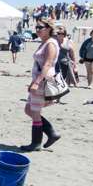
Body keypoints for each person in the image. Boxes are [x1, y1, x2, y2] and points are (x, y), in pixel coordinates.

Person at [20, 18, 62, 151]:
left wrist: (37, 82)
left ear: (48, 29)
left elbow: (48, 64)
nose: (37, 30)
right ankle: (51, 133)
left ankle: (36, 143)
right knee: (29, 110)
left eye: (40, 27)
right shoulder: (44, 43)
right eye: (36, 27)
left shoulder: (51, 43)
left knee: (35, 111)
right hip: (38, 79)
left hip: (44, 81)